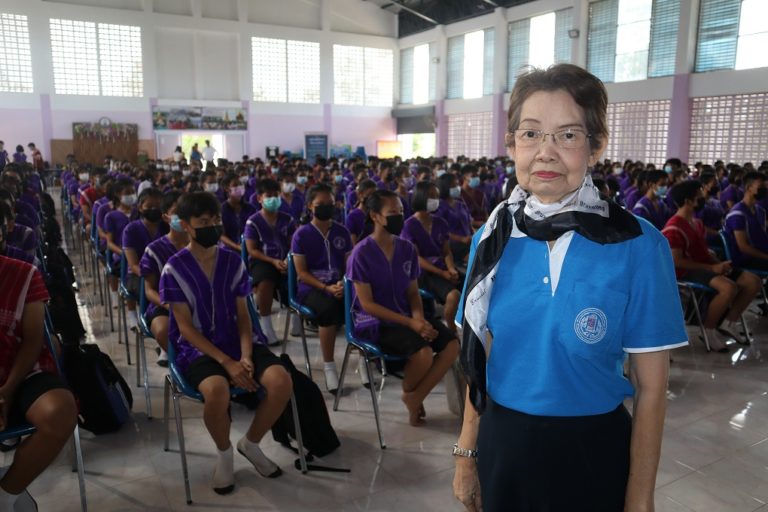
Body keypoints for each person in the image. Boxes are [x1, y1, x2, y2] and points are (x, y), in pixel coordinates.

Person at [452, 64, 687, 512]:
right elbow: (479, 355)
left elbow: (651, 388)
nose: (546, 152)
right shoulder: (491, 239)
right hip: (504, 447)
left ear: (596, 147)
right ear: (511, 145)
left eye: (568, 135)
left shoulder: (637, 244)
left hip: (592, 452)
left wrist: (640, 497)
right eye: (531, 134)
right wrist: (466, 453)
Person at [160, 192, 292, 495]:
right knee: (217, 392)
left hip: (235, 340)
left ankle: (251, 443)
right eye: (203, 222)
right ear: (186, 226)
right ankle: (224, 452)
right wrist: (227, 363)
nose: (212, 226)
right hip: (197, 349)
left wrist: (245, 356)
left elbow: (244, 316)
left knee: (281, 381)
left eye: (215, 220)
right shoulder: (174, 269)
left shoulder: (232, 261)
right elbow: (185, 328)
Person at [347, 190, 459, 426]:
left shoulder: (406, 248)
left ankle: (414, 397)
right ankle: (415, 399)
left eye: (400, 211)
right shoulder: (361, 253)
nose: (399, 216)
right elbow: (367, 304)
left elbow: (412, 293)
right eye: (392, 212)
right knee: (423, 353)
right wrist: (412, 323)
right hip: (374, 321)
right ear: (375, 216)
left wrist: (419, 319)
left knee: (451, 345)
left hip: (407, 315)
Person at [0, 254, 78, 511]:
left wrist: (7, 390)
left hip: (20, 372)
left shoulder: (24, 274)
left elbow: (33, 339)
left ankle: (6, 496)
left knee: (59, 412)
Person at [663, 180, 761, 351]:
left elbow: (704, 252)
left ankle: (729, 322)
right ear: (688, 201)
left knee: (753, 281)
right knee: (728, 288)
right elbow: (676, 261)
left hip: (705, 266)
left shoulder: (696, 223)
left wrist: (719, 264)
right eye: (699, 195)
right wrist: (712, 268)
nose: (704, 198)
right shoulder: (674, 227)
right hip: (686, 271)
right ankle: (709, 330)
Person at [291, 184, 352, 394]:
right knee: (328, 308)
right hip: (311, 288)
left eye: (330, 204)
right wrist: (326, 288)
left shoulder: (342, 232)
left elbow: (349, 265)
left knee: (360, 302)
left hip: (338, 284)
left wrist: (342, 283)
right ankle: (329, 366)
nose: (327, 207)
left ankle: (363, 359)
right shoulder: (301, 235)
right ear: (310, 206)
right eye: (321, 204)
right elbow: (301, 272)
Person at [401, 181, 462, 332]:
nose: (436, 200)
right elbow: (416, 258)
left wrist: (451, 268)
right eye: (431, 196)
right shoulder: (409, 225)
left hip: (442, 267)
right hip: (423, 273)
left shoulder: (440, 222)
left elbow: (446, 251)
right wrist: (442, 273)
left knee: (472, 286)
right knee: (454, 295)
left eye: (436, 196)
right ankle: (451, 331)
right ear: (420, 197)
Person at [244, 179, 296, 345]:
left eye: (276, 195)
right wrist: (273, 261)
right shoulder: (253, 222)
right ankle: (266, 327)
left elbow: (294, 244)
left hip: (286, 259)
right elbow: (252, 250)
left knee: (300, 274)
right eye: (269, 196)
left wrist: (287, 259)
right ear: (259, 198)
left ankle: (297, 317)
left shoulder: (288, 220)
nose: (273, 199)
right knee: (265, 280)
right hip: (262, 260)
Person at [140, 191, 187, 366]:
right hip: (165, 304)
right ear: (166, 217)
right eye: (176, 212)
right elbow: (149, 290)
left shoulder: (200, 245)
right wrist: (170, 306)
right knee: (163, 330)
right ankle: (179, 360)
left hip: (197, 302)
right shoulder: (154, 250)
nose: (182, 217)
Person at [122, 188, 168, 332]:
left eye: (158, 206)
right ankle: (149, 318)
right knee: (152, 291)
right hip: (138, 275)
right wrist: (151, 274)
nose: (154, 209)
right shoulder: (131, 229)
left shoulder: (167, 227)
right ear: (140, 207)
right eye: (149, 206)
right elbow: (133, 264)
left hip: (165, 273)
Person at [724, 171, 768, 271]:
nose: (765, 189)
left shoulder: (760, 210)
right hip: (746, 259)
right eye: (761, 186)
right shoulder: (737, 214)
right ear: (749, 188)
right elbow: (743, 247)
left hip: (761, 252)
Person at [435, 173, 473, 264]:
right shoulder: (440, 207)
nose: (457, 187)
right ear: (445, 188)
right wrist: (461, 239)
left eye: (457, 184)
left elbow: (469, 223)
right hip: (453, 244)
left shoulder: (460, 203)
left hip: (468, 240)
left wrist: (474, 236)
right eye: (454, 186)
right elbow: (440, 231)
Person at [219, 173, 256, 252]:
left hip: (249, 247)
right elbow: (221, 235)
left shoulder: (250, 208)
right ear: (227, 188)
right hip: (228, 249)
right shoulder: (222, 210)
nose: (239, 187)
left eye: (241, 184)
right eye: (235, 185)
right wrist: (237, 246)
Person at [345, 179, 377, 245]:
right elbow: (353, 244)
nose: (372, 198)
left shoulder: (377, 214)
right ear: (360, 195)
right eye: (369, 194)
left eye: (374, 195)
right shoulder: (352, 217)